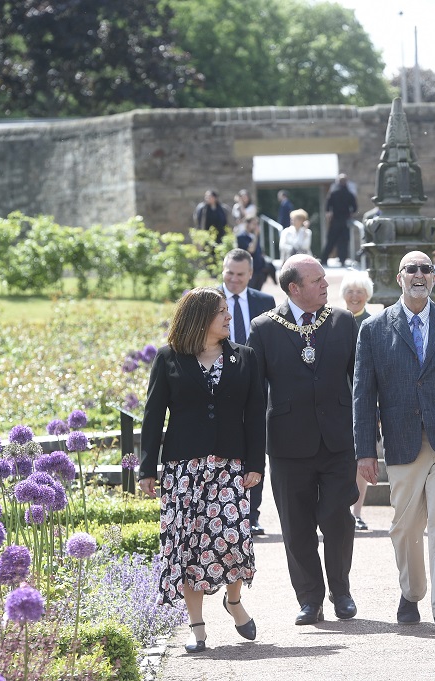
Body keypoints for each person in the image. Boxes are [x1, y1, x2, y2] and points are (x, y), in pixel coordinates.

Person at [353, 251, 435, 634]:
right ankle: (411, 592)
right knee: (405, 527)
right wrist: (365, 451)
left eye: (425, 269)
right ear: (399, 277)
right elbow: (364, 395)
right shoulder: (375, 329)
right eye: (411, 268)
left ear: (433, 278)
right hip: (402, 441)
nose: (418, 274)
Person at [138, 287, 265, 653]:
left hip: (230, 466)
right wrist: (147, 468)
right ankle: (198, 630)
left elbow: (256, 415)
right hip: (183, 468)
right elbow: (152, 416)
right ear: (200, 318)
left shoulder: (246, 358)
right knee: (188, 548)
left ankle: (234, 601)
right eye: (222, 312)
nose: (229, 317)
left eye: (227, 311)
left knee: (233, 540)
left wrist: (256, 464)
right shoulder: (169, 359)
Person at [246, 255, 359, 626]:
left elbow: (360, 384)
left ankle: (341, 592)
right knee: (296, 527)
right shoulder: (263, 327)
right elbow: (254, 392)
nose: (327, 285)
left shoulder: (342, 321)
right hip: (287, 444)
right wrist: (249, 451)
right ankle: (310, 599)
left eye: (325, 279)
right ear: (294, 288)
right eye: (317, 281)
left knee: (337, 519)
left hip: (338, 441)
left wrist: (366, 437)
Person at [220, 249, 276, 534]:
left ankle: (251, 515)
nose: (234, 279)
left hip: (257, 387)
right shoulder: (208, 300)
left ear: (251, 274)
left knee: (256, 449)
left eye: (240, 274)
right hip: (218, 388)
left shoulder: (265, 302)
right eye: (229, 272)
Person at [340, 270, 376, 531]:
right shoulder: (332, 322)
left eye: (360, 291)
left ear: (367, 295)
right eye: (350, 291)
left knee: (362, 456)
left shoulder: (374, 324)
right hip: (339, 400)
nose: (355, 296)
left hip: (366, 402)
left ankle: (357, 512)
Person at [320, 174, 358, 266]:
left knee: (331, 241)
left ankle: (324, 259)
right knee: (343, 241)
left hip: (335, 220)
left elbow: (327, 206)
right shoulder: (349, 194)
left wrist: (329, 214)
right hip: (345, 221)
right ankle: (342, 260)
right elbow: (355, 208)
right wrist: (350, 215)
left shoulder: (333, 193)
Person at [235, 214, 276, 291]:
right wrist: (256, 236)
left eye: (257, 224)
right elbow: (251, 249)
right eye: (254, 224)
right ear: (247, 224)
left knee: (258, 291)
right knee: (250, 290)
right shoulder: (241, 237)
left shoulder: (255, 236)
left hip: (259, 269)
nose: (256, 226)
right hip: (250, 269)